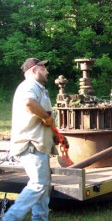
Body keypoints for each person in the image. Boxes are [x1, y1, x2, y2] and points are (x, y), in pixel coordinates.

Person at [2, 58, 54, 221]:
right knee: (38, 185)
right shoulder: (29, 86)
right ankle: (9, 218)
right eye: (43, 68)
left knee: (43, 189)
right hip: (31, 144)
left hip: (39, 145)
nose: (47, 71)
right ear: (33, 70)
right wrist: (46, 117)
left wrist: (56, 136)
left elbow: (43, 119)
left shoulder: (39, 88)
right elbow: (29, 103)